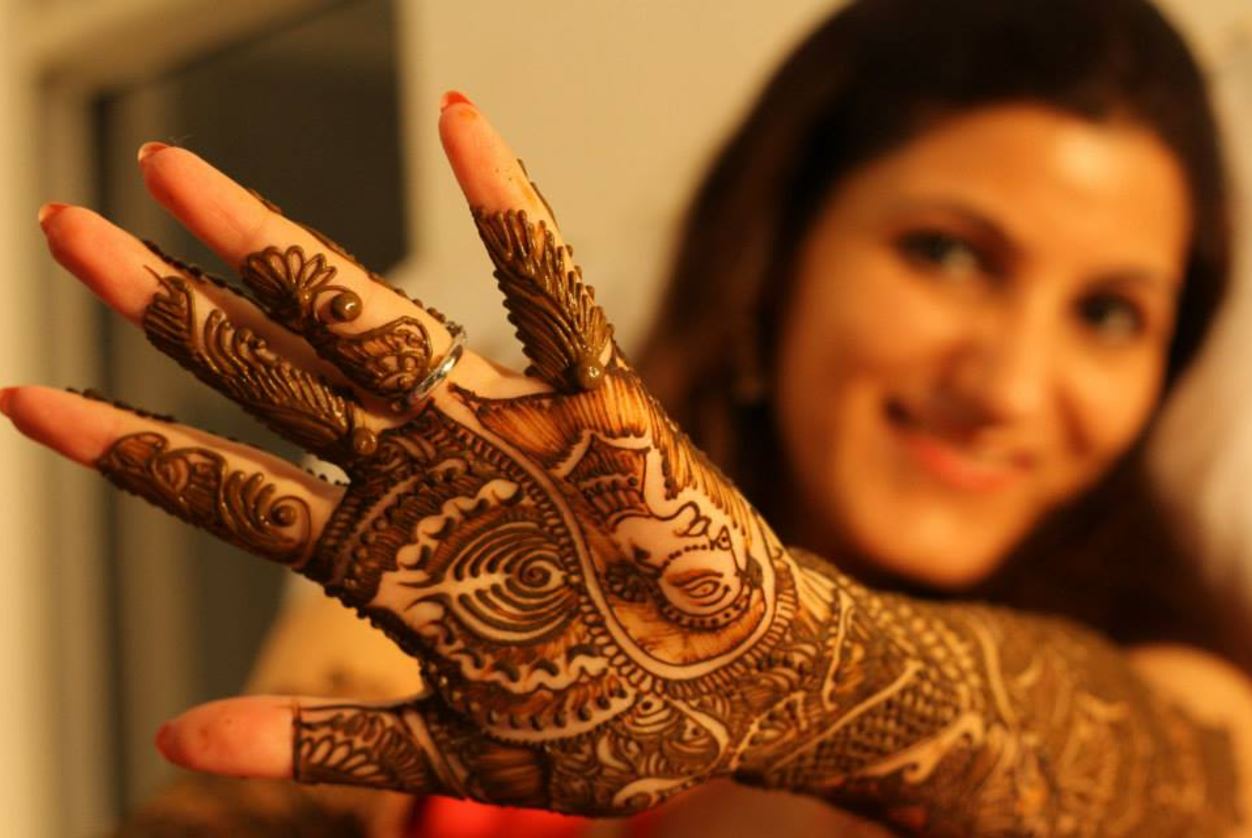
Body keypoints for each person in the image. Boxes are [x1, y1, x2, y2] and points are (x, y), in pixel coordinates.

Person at [3, 0, 1250, 834]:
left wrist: (796, 668)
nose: (1010, 386)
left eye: (1108, 314)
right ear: (774, 259)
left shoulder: (1180, 698)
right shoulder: (467, 606)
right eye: (948, 252)